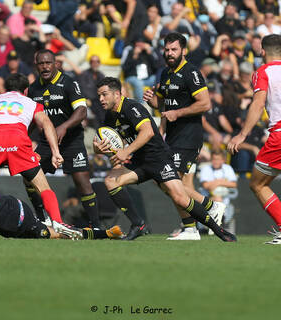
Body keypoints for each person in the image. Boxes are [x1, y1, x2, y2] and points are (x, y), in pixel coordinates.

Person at [94, 76, 236, 242]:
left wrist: (126, 152)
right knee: (111, 181)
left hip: (158, 159)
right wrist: (99, 150)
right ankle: (138, 224)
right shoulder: (110, 116)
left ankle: (218, 230)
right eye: (99, 96)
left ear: (117, 94)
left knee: (180, 198)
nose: (101, 99)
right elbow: (109, 141)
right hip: (139, 161)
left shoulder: (131, 107)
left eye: (104, 94)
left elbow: (147, 132)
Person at [0, 73, 81, 240]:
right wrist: (55, 152)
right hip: (19, 141)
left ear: (5, 89)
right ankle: (58, 221)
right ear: (25, 90)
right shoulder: (31, 103)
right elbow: (46, 123)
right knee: (44, 188)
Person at [143, 32, 226, 240]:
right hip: (172, 136)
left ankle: (199, 219)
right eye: (167, 49)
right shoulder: (165, 73)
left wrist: (177, 113)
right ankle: (197, 221)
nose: (170, 53)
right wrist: (152, 101)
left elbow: (205, 103)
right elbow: (163, 106)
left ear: (184, 51)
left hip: (189, 135)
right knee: (165, 181)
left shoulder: (191, 72)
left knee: (172, 182)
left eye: (174, 49)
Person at [27, 49, 101, 229]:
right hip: (46, 143)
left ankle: (96, 225)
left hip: (72, 141)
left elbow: (82, 111)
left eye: (48, 63)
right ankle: (42, 218)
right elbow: (30, 119)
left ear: (56, 64)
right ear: (36, 66)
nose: (45, 67)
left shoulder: (69, 83)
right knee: (29, 175)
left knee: (83, 182)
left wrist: (64, 126)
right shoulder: (34, 88)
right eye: (41, 63)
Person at [228, 34, 281, 245]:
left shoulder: (263, 72)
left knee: (257, 184)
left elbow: (258, 104)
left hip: (279, 136)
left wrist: (242, 134)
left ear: (262, 52)